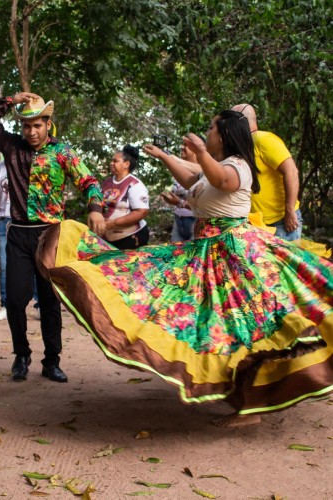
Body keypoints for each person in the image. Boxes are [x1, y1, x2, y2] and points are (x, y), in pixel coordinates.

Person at [37, 110, 333, 426]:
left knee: (243, 328)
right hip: (209, 253)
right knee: (215, 327)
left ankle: (252, 404)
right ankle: (247, 401)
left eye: (210, 128)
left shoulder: (238, 166)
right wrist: (164, 155)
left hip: (234, 254)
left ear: (225, 135)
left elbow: (222, 180)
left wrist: (202, 153)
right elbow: (193, 180)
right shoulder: (212, 169)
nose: (206, 132)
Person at [0, 92, 106, 383]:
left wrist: (96, 208)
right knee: (15, 299)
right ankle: (21, 355)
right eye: (27, 126)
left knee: (49, 302)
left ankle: (52, 361)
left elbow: (88, 181)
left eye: (37, 125)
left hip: (50, 236)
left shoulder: (62, 152)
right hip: (19, 234)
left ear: (48, 124)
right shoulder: (11, 147)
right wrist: (10, 99)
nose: (32, 132)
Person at [231, 103, 302, 240]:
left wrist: (289, 210)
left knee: (286, 262)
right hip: (257, 224)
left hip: (281, 222)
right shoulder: (242, 146)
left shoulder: (264, 140)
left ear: (242, 121)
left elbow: (291, 172)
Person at [0, 159, 39, 322]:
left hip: (28, 221)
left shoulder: (32, 165)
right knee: (5, 265)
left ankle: (40, 305)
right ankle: (7, 305)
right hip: (4, 222)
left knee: (36, 264)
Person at [102, 145, 149, 249]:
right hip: (108, 239)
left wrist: (113, 223)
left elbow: (142, 212)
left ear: (126, 164)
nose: (111, 163)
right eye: (111, 161)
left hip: (131, 237)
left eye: (115, 161)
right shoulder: (106, 183)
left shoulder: (135, 184)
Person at [159, 142, 201, 242]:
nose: (182, 147)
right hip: (178, 221)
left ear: (196, 150)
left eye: (186, 145)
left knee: (192, 255)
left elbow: (204, 206)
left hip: (195, 221)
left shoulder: (203, 174)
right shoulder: (178, 171)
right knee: (176, 254)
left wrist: (179, 202)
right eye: (182, 144)